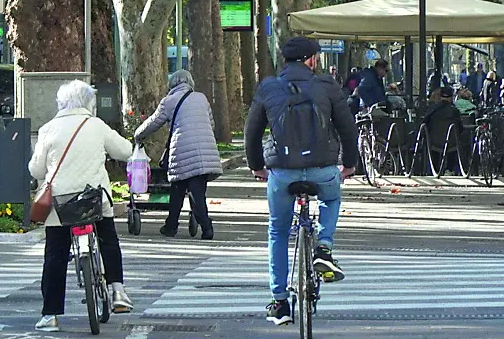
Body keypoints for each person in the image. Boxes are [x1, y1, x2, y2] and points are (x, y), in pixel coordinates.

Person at [244, 37, 357, 326]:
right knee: (331, 198)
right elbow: (347, 127)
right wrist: (350, 164)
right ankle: (324, 246)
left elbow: (252, 132)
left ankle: (279, 301)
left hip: (282, 171)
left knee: (278, 231)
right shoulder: (326, 85)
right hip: (323, 168)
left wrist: (257, 167)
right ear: (311, 59)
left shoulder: (268, 87)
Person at [29, 80, 134, 332]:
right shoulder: (96, 125)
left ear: (60, 103)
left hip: (60, 204)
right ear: (89, 102)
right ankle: (117, 290)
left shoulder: (48, 129)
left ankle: (50, 315)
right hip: (94, 200)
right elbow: (125, 150)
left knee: (55, 254)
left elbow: (36, 169)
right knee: (108, 239)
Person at [134, 69, 223, 240]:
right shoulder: (201, 98)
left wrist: (138, 135)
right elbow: (211, 124)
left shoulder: (169, 101)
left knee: (182, 190)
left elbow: (153, 122)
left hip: (182, 152)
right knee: (190, 190)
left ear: (172, 84)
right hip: (206, 152)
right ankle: (179, 225)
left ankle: (194, 226)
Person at [423, 87, 464, 173]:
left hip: (434, 142)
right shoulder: (454, 111)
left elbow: (424, 124)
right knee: (456, 144)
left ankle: (434, 169)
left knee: (432, 145)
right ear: (451, 97)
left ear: (440, 96)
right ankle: (450, 169)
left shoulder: (433, 110)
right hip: (451, 143)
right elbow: (460, 128)